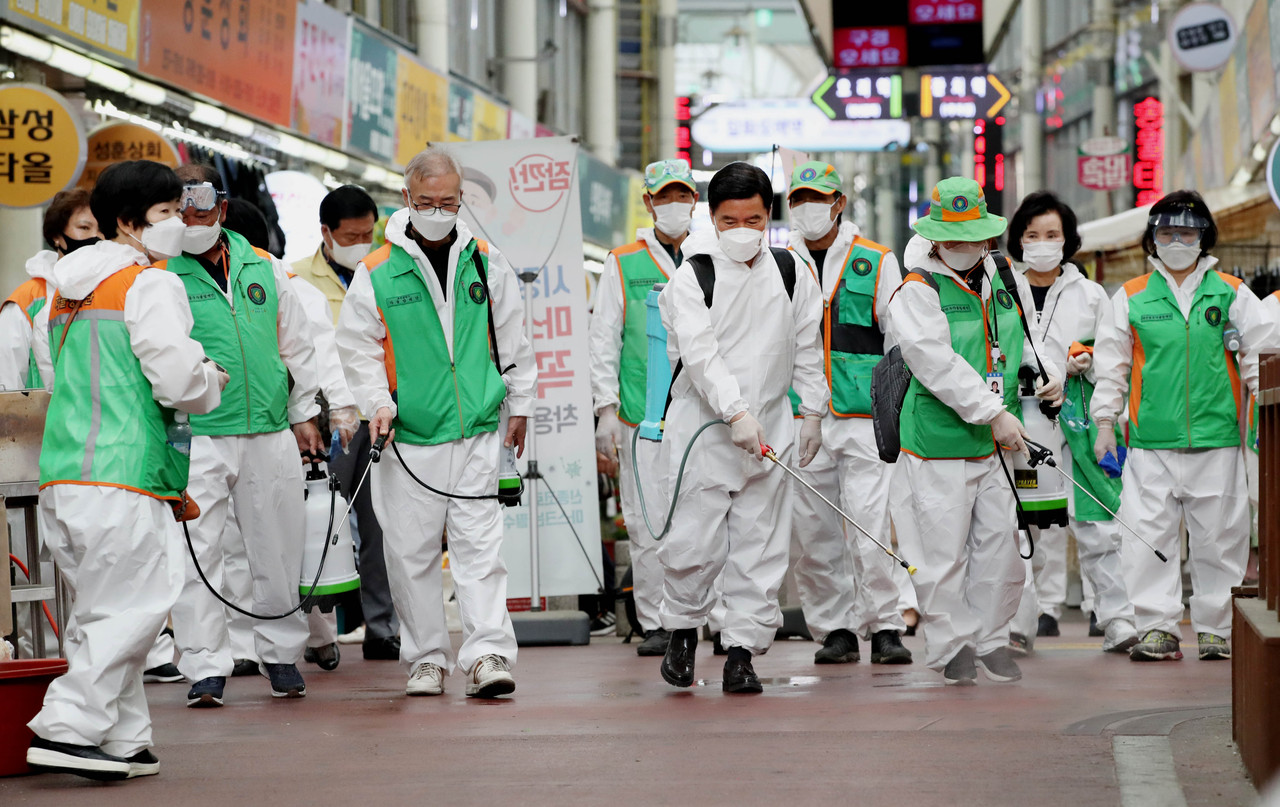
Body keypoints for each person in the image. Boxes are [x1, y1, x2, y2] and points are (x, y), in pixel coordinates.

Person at [24, 160, 227, 780]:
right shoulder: (148, 284)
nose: (177, 224)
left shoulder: (62, 291)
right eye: (165, 214)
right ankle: (68, 726)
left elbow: (55, 377)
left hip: (65, 473)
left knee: (104, 611)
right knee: (136, 607)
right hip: (123, 473)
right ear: (128, 224)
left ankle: (123, 738)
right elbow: (177, 379)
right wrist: (208, 377)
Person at [336, 146, 536, 698]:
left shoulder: (484, 259)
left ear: (461, 201)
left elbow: (514, 339)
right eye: (427, 201)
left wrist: (520, 405)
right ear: (406, 198)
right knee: (409, 553)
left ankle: (489, 654)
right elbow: (356, 349)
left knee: (479, 550)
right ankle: (426, 657)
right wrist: (378, 402)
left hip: (475, 428)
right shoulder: (376, 270)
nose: (438, 211)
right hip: (408, 436)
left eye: (448, 202)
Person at [655, 161, 827, 694]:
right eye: (729, 220)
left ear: (769, 216)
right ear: (711, 217)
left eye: (752, 219)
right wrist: (734, 411)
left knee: (761, 548)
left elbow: (805, 345)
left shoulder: (793, 271)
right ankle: (683, 630)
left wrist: (813, 412)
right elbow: (700, 353)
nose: (741, 231)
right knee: (694, 544)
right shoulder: (693, 274)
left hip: (770, 427)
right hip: (704, 429)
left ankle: (741, 652)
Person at [886, 177, 1062, 686]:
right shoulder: (917, 290)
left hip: (995, 443)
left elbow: (1023, 338)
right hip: (939, 442)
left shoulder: (1003, 277)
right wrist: (993, 412)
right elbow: (936, 364)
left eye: (974, 237)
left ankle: (990, 638)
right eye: (954, 238)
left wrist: (1045, 372)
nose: (966, 248)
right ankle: (952, 647)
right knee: (941, 553)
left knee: (1000, 547)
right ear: (937, 238)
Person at [164, 164, 323, 706]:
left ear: (223, 208)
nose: (193, 219)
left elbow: (297, 344)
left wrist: (304, 411)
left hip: (269, 429)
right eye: (182, 210)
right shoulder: (160, 273)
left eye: (203, 209)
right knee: (197, 551)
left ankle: (280, 654)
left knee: (275, 547)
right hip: (197, 433)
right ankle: (206, 665)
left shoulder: (265, 267)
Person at [1092, 190, 1273, 662]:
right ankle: (1157, 627)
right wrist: (1105, 424)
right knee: (1148, 538)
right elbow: (1111, 367)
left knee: (1221, 539)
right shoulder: (1129, 297)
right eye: (1167, 232)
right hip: (1150, 444)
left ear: (1203, 237)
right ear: (1152, 239)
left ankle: (1216, 629)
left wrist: (1267, 418)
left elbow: (1257, 359)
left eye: (1187, 232)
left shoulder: (1232, 293)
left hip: (1218, 440)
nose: (1177, 240)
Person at [220, 198, 360, 673]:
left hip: (293, 426)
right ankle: (282, 640)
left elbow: (321, 353)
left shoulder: (284, 283)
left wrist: (339, 410)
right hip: (260, 425)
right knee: (271, 538)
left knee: (284, 537)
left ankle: (307, 635)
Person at [783, 161, 912, 666]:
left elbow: (899, 342)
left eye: (817, 197)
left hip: (864, 417)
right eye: (798, 199)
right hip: (799, 416)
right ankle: (835, 628)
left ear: (839, 202)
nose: (807, 208)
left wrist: (894, 412)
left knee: (870, 525)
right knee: (813, 531)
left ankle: (885, 625)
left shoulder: (877, 260)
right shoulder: (778, 262)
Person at [1004, 191, 1137, 655]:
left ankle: (1117, 619)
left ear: (1067, 239)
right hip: (1019, 423)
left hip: (1078, 423)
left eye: (1052, 234)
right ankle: (1018, 623)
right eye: (1032, 234)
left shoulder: (1091, 295)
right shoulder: (1002, 289)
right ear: (1019, 240)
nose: (1042, 242)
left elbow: (1112, 360)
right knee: (1021, 526)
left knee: (1097, 524)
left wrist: (1082, 370)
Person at [590, 158, 699, 658]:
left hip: (703, 413)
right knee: (645, 520)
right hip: (643, 411)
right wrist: (606, 408)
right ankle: (657, 620)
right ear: (649, 202)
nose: (675, 204)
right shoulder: (624, 261)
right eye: (666, 196)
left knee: (705, 515)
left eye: (683, 194)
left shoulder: (711, 254)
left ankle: (707, 618)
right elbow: (604, 338)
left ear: (695, 200)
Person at [291, 185, 402, 661]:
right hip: (323, 419)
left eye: (368, 232)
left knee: (381, 526)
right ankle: (319, 634)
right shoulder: (295, 278)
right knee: (317, 522)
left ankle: (382, 628)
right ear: (326, 233)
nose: (362, 242)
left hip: (379, 415)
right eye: (351, 235)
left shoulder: (387, 271)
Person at [1, 189, 99, 390]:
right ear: (56, 236)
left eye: (101, 229)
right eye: (84, 227)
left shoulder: (113, 287)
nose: (95, 238)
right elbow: (6, 380)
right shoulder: (28, 299)